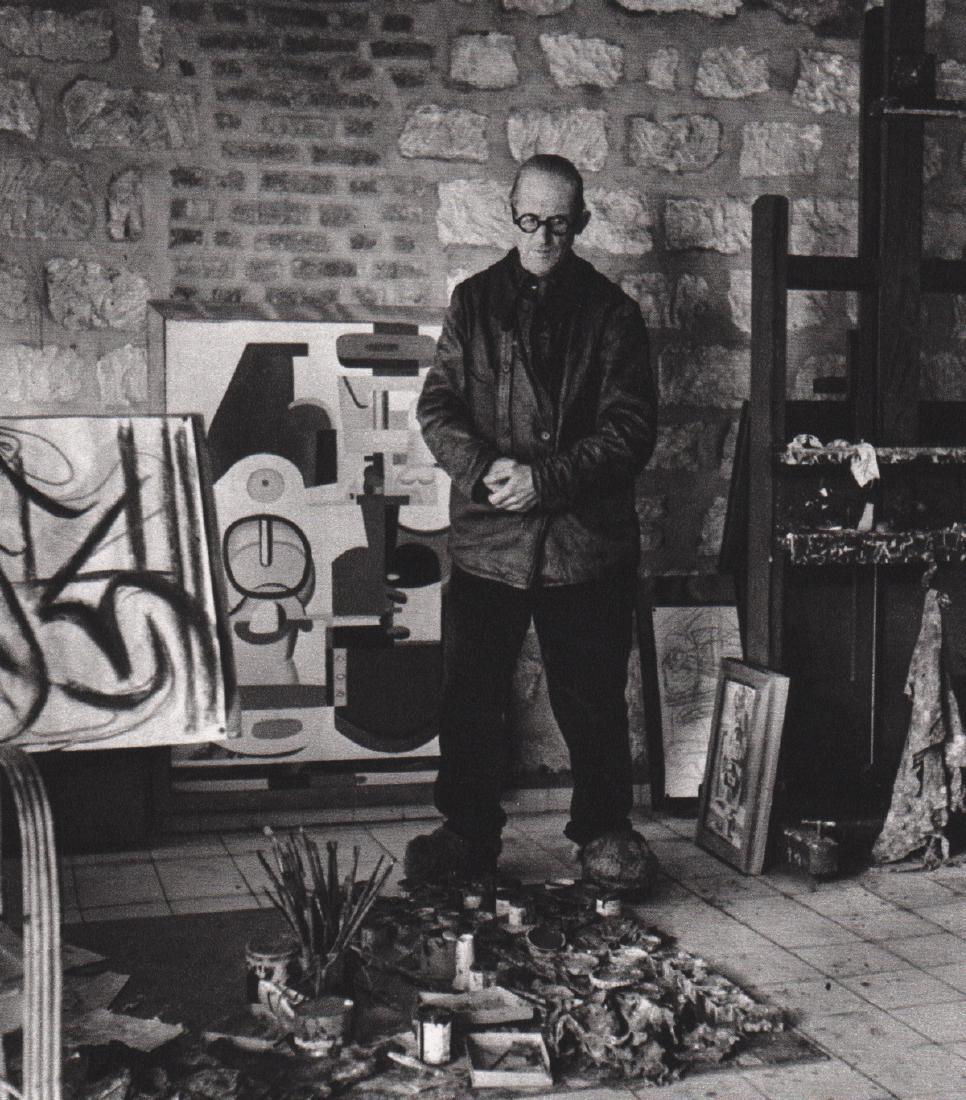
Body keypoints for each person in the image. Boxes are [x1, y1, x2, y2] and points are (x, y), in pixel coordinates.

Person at [405, 154, 658, 889]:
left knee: (591, 697)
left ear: (579, 222)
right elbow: (439, 407)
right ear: (509, 215)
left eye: (558, 222)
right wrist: (486, 471)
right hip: (490, 542)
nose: (543, 236)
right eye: (529, 220)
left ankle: (605, 834)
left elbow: (631, 429)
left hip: (585, 548)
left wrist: (546, 480)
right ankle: (468, 833)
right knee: (472, 695)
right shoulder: (475, 303)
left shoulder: (613, 314)